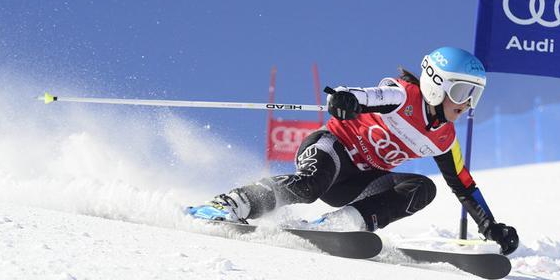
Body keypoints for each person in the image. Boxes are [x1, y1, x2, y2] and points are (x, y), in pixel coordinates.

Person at [187, 47, 519, 255]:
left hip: (359, 181)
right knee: (308, 186)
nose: (466, 104)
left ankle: (337, 225)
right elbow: (368, 95)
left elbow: (463, 185)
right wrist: (347, 100)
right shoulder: (403, 96)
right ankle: (229, 203)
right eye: (462, 92)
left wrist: (490, 227)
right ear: (436, 84)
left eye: (474, 96)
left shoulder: (445, 139)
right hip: (331, 149)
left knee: (422, 188)